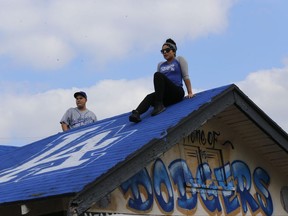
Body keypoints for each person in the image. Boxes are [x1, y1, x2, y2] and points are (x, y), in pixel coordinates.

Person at [129, 38, 193, 123]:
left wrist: (190, 92)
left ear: (173, 51)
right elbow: (158, 84)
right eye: (162, 51)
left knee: (158, 75)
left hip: (176, 91)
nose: (165, 52)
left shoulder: (179, 60)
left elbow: (186, 76)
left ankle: (159, 105)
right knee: (150, 96)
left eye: (167, 50)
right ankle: (136, 114)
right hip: (165, 96)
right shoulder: (160, 65)